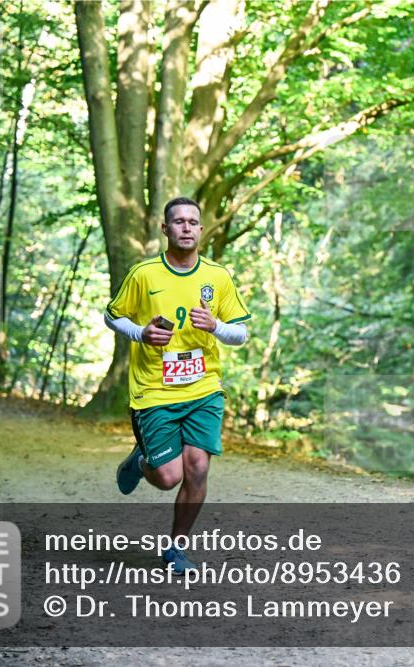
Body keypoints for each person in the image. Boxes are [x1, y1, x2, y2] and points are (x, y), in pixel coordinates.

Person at [104, 196, 251, 574]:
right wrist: (140, 333)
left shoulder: (217, 277)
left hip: (203, 388)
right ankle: (140, 461)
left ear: (201, 230)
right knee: (169, 477)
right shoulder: (144, 274)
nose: (186, 227)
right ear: (165, 229)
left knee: (198, 468)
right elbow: (112, 316)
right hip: (154, 390)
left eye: (192, 222)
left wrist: (216, 327)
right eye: (178, 222)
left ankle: (176, 549)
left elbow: (241, 333)